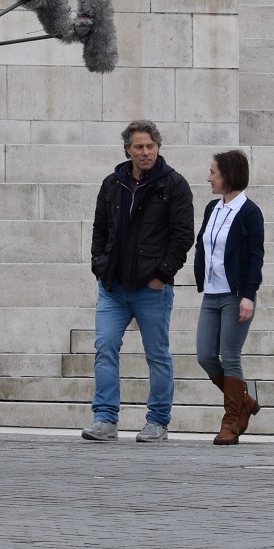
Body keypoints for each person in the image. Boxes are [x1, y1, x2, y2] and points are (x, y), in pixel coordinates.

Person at [82, 119, 194, 444]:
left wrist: (162, 275)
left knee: (157, 354)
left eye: (151, 146)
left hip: (152, 289)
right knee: (104, 347)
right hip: (113, 288)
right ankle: (104, 419)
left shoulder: (174, 185)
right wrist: (99, 267)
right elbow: (99, 230)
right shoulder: (111, 184)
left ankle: (157, 422)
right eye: (139, 147)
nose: (145, 152)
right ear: (128, 149)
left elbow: (182, 236)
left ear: (158, 147)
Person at [194, 149, 265, 445]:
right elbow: (202, 244)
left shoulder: (249, 212)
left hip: (236, 296)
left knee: (230, 356)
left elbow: (255, 255)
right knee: (206, 356)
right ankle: (244, 401)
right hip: (211, 295)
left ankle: (232, 421)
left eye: (213, 172)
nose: (209, 177)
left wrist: (248, 295)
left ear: (228, 175)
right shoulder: (213, 208)